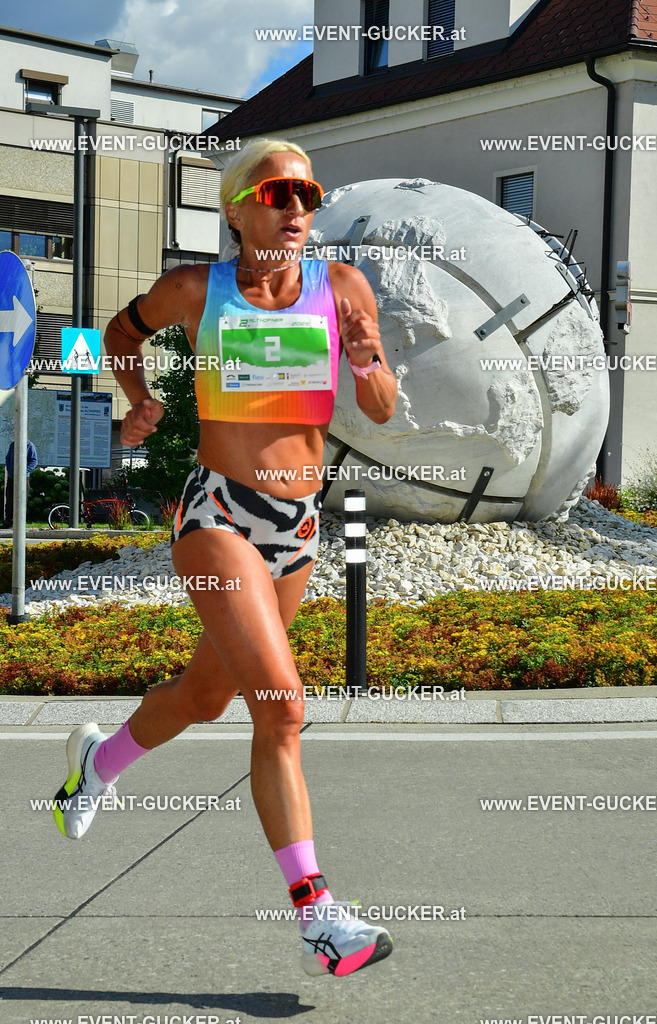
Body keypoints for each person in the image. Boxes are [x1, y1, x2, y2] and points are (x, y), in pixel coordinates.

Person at [52, 138, 398, 978]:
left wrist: (363, 361)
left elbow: (383, 407)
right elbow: (114, 333)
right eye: (276, 194)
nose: (295, 209)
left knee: (206, 698)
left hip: (299, 526)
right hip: (219, 518)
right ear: (237, 208)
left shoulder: (342, 289)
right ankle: (321, 918)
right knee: (281, 708)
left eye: (306, 195)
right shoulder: (192, 291)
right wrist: (139, 403)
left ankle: (96, 764)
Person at [3, 439, 38, 527]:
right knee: (9, 499)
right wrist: (9, 469)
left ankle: (20, 523)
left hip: (23, 478)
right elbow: (8, 458)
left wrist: (24, 470)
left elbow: (34, 461)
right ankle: (8, 522)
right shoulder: (13, 445)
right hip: (12, 477)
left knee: (22, 500)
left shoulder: (29, 445)